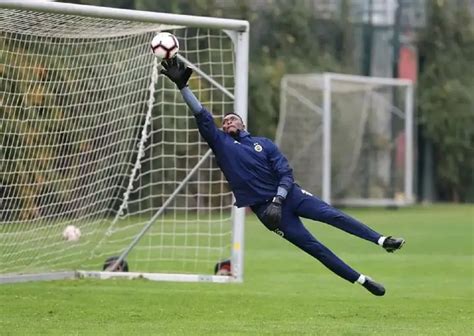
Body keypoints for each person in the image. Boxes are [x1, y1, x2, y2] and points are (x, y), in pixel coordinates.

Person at [160, 57, 405, 296]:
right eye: (224, 122)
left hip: (290, 196)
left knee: (333, 215)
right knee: (315, 248)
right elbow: (201, 115)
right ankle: (362, 280)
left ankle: (382, 240)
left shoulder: (263, 144)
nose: (227, 122)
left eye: (232, 118)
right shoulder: (221, 143)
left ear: (243, 124)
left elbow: (285, 173)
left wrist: (279, 198)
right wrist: (183, 86)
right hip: (268, 213)